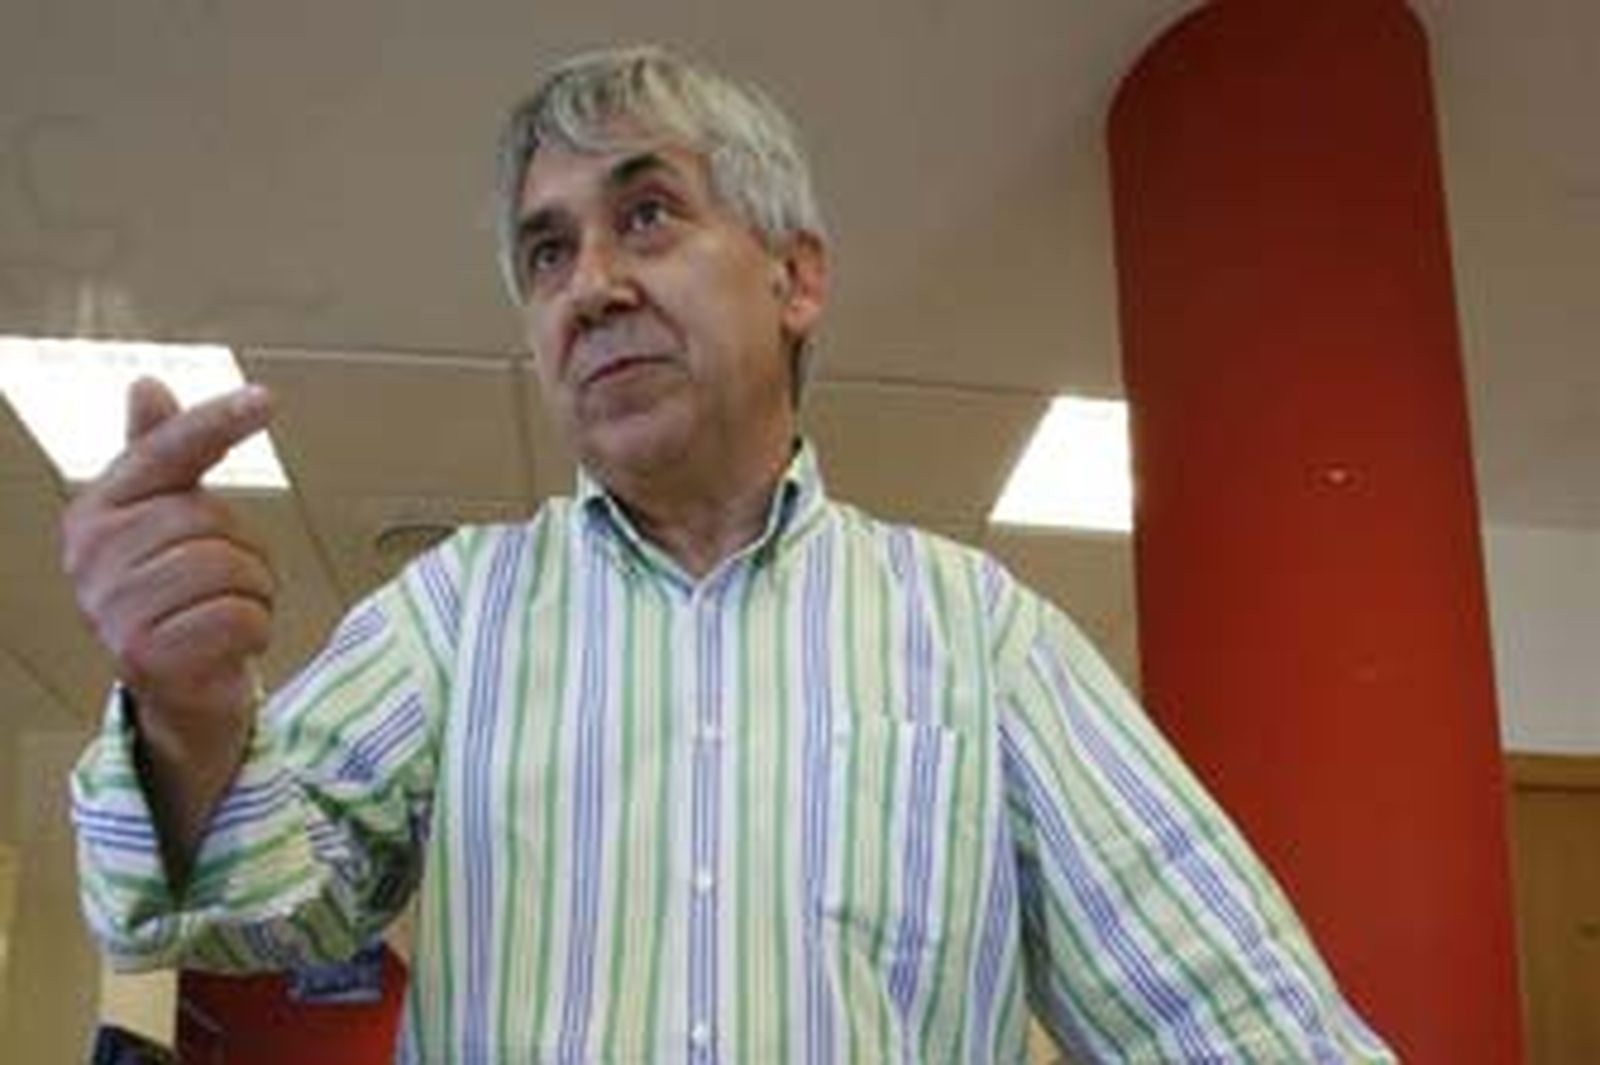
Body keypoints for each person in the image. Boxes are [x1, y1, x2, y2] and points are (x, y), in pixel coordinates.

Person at [67, 46, 1394, 1063]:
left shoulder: (982, 637)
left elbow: (1236, 1020)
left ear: (795, 279)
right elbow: (240, 910)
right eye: (547, 252)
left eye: (647, 215)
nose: (591, 285)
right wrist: (188, 719)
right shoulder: (455, 617)